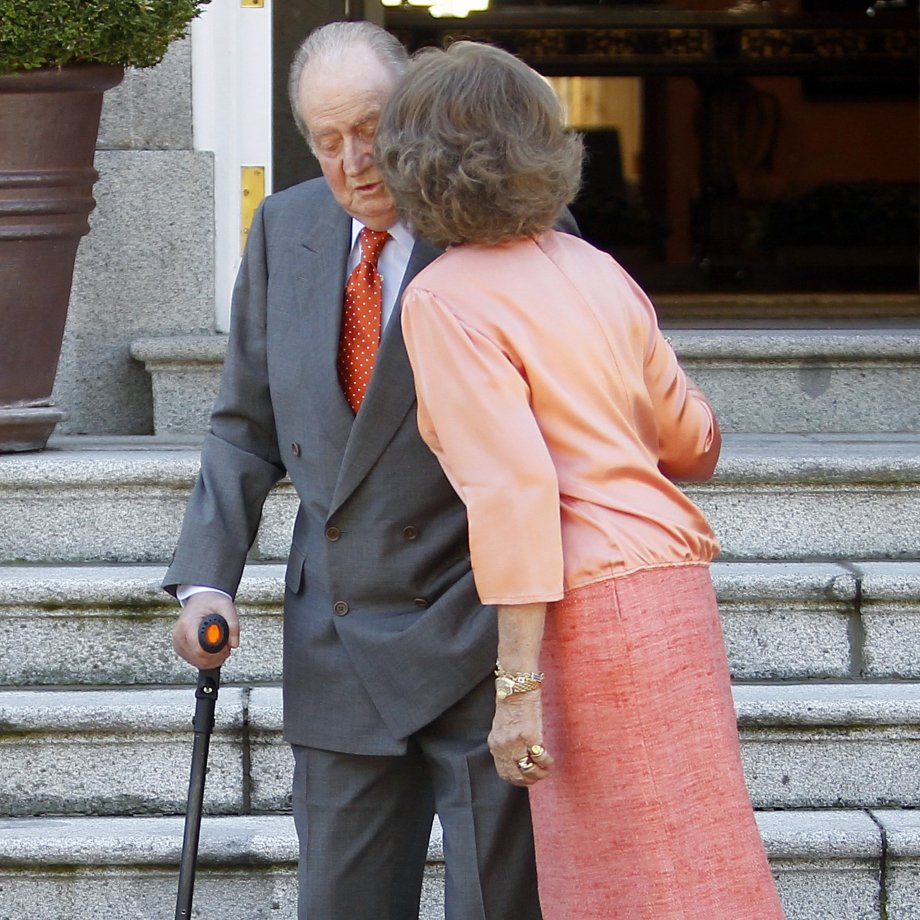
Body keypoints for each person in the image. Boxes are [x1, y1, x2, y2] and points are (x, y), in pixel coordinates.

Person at [375, 41, 787, 920]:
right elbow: (692, 443)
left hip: (588, 611)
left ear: (416, 163)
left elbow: (514, 493)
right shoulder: (599, 269)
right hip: (674, 594)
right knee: (698, 857)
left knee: (627, 880)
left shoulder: (444, 297)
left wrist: (515, 688)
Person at [165, 20, 562, 920]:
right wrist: (205, 579)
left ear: (418, 114)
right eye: (326, 139)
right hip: (337, 629)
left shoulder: (502, 220)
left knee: (498, 908)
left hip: (476, 624)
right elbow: (243, 424)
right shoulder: (286, 225)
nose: (354, 163)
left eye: (374, 129)